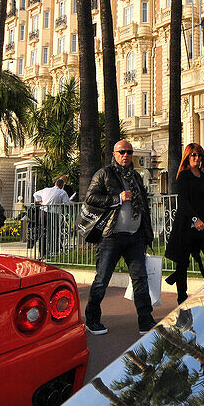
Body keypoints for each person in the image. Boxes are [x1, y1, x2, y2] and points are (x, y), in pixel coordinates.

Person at [81, 140, 155, 335]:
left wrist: (147, 234)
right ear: (114, 154)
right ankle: (92, 319)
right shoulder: (104, 174)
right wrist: (118, 199)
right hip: (111, 236)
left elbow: (144, 208)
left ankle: (146, 320)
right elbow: (90, 198)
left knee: (140, 279)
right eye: (122, 152)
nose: (126, 155)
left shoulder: (137, 177)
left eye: (129, 152)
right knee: (102, 280)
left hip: (135, 236)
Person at [164, 143, 204, 303]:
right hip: (187, 227)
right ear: (187, 157)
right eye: (194, 155)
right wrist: (195, 219)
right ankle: (181, 298)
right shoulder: (183, 176)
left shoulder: (203, 176)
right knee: (182, 264)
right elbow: (183, 202)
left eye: (200, 155)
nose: (197, 158)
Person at [32, 176, 72, 258]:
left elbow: (35, 194)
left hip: (43, 212)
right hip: (53, 213)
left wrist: (41, 201)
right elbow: (67, 203)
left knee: (42, 232)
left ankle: (42, 252)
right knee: (53, 232)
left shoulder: (46, 190)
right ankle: (52, 251)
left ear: (55, 184)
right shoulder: (62, 192)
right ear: (62, 186)